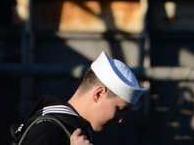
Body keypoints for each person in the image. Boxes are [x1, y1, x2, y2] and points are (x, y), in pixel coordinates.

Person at [10, 51, 146, 144]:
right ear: (99, 94)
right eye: (120, 109)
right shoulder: (47, 131)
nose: (120, 119)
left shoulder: (77, 131)